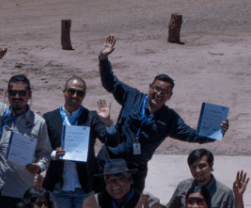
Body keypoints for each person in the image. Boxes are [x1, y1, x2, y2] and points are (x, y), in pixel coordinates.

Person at [96, 35, 229, 192]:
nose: (159, 94)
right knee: (95, 198)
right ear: (150, 87)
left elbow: (193, 135)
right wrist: (103, 58)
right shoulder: (132, 96)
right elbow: (110, 82)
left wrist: (217, 132)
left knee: (133, 205)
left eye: (164, 92)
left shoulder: (170, 119)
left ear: (170, 96)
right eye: (157, 89)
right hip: (109, 159)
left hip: (135, 169)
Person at [0, 47, 52, 208]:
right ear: (7, 94)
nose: (17, 96)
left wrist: (39, 166)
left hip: (20, 188)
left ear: (29, 94)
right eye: (13, 92)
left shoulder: (38, 123)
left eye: (22, 93)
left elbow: (45, 153)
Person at [42, 79, 117, 208]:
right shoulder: (49, 118)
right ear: (64, 91)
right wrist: (53, 154)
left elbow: (111, 141)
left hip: (84, 186)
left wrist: (108, 123)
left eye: (80, 92)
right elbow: (41, 149)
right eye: (71, 91)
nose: (75, 95)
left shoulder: (92, 117)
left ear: (84, 95)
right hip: (59, 186)